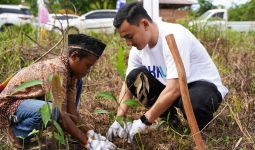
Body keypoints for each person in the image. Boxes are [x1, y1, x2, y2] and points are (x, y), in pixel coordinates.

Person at [107, 2, 228, 142]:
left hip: (200, 86)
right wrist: (119, 119)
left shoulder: (174, 35)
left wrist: (144, 121)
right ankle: (170, 120)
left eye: (130, 36)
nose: (128, 43)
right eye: (125, 39)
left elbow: (175, 88)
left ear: (145, 24)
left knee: (197, 103)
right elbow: (128, 83)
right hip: (171, 87)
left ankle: (200, 129)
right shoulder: (137, 50)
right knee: (134, 77)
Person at [0, 34, 116, 149]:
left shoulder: (72, 74)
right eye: (87, 65)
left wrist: (92, 135)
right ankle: (18, 136)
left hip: (29, 103)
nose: (88, 71)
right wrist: (89, 144)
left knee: (59, 107)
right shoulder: (57, 70)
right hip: (10, 105)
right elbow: (62, 115)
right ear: (75, 56)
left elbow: (71, 111)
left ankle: (64, 131)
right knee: (53, 110)